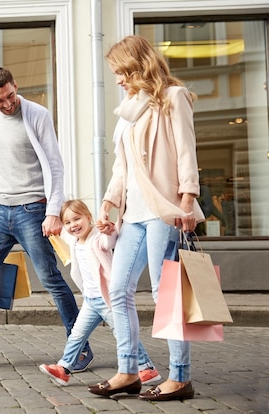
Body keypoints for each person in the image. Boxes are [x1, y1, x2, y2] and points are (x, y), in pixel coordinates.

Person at [0, 67, 93, 370]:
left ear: (15, 86)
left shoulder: (37, 114)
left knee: (50, 279)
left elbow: (55, 166)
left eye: (10, 96)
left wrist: (53, 212)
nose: (7, 104)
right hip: (1, 212)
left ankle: (80, 349)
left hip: (32, 211)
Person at [87, 35, 205, 401]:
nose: (118, 80)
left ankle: (180, 377)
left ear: (138, 66)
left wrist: (186, 202)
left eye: (121, 72)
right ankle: (128, 371)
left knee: (164, 292)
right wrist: (108, 201)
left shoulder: (173, 97)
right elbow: (122, 165)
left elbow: (187, 152)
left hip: (162, 210)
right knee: (118, 290)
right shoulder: (130, 108)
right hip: (132, 214)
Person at [39, 199, 161, 386]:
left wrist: (108, 230)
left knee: (123, 332)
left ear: (89, 217)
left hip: (108, 298)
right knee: (77, 334)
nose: (73, 225)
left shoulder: (97, 237)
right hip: (90, 300)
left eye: (77, 219)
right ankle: (63, 369)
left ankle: (146, 368)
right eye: (68, 222)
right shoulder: (75, 242)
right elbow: (63, 236)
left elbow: (108, 241)